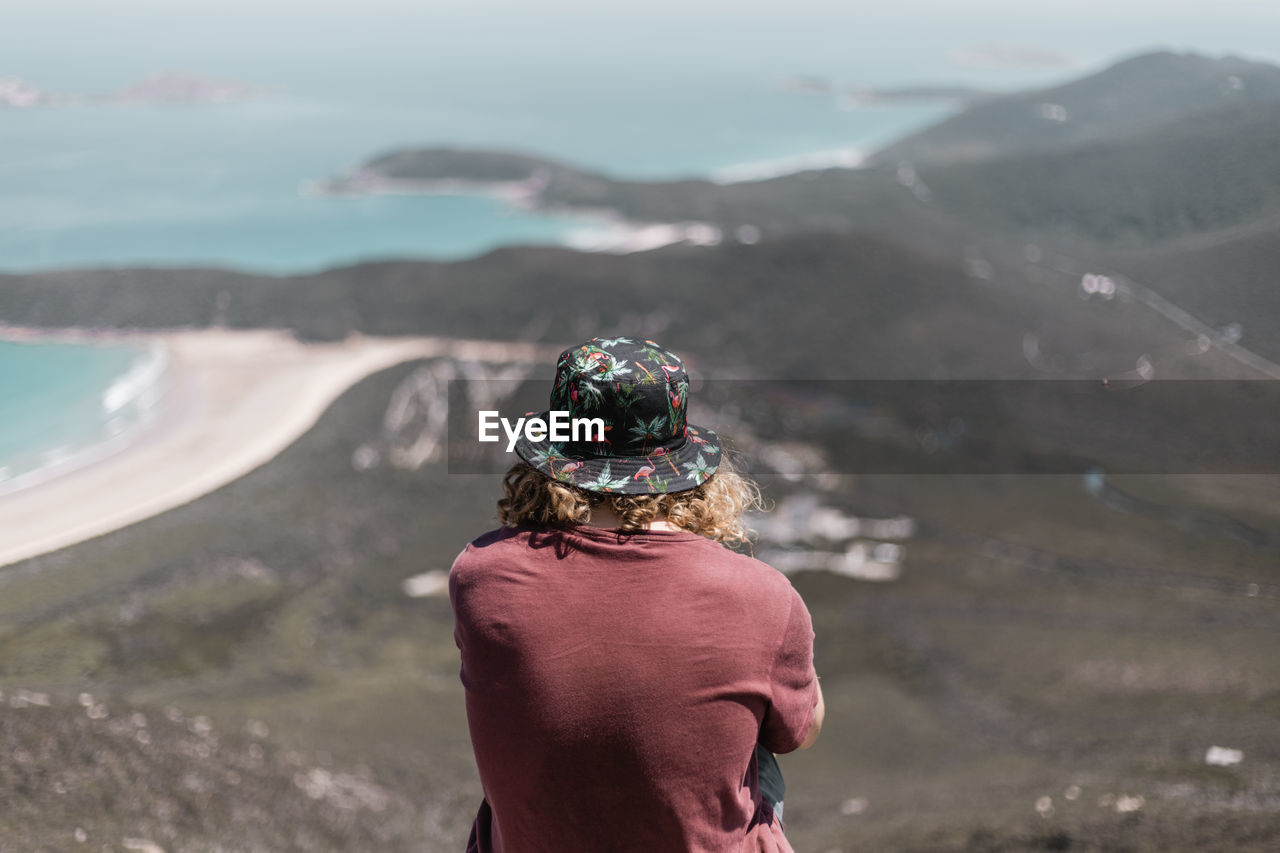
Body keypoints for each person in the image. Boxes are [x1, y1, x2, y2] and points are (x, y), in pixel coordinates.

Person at [449, 337, 824, 852]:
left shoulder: (479, 574)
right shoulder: (762, 594)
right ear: (682, 466)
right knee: (755, 751)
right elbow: (798, 733)